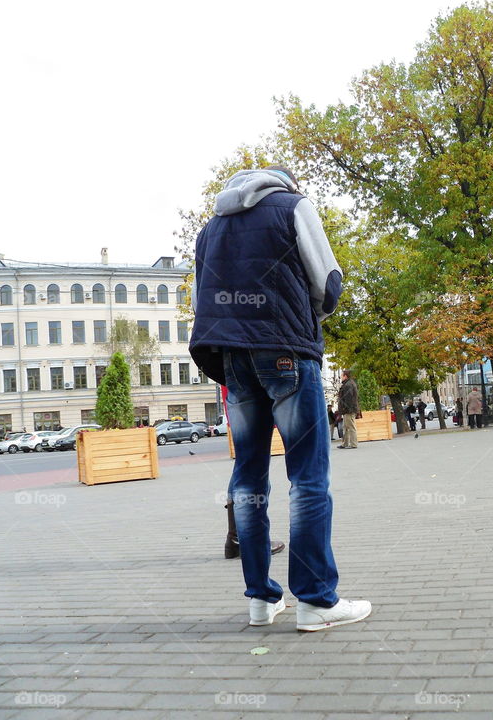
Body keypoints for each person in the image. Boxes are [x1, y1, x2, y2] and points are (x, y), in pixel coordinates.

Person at [189, 165, 370, 631]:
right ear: (283, 183)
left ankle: (261, 600)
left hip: (232, 359)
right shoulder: (294, 206)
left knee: (248, 478)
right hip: (286, 351)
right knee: (307, 477)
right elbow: (328, 280)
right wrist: (309, 317)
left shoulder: (209, 229)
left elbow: (202, 300)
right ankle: (315, 601)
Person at [338, 370, 360, 449]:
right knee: (346, 427)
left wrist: (345, 409)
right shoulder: (348, 384)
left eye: (341, 375)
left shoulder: (348, 385)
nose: (340, 377)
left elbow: (349, 399)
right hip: (348, 410)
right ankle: (345, 443)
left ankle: (353, 444)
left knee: (350, 427)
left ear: (345, 376)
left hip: (348, 410)